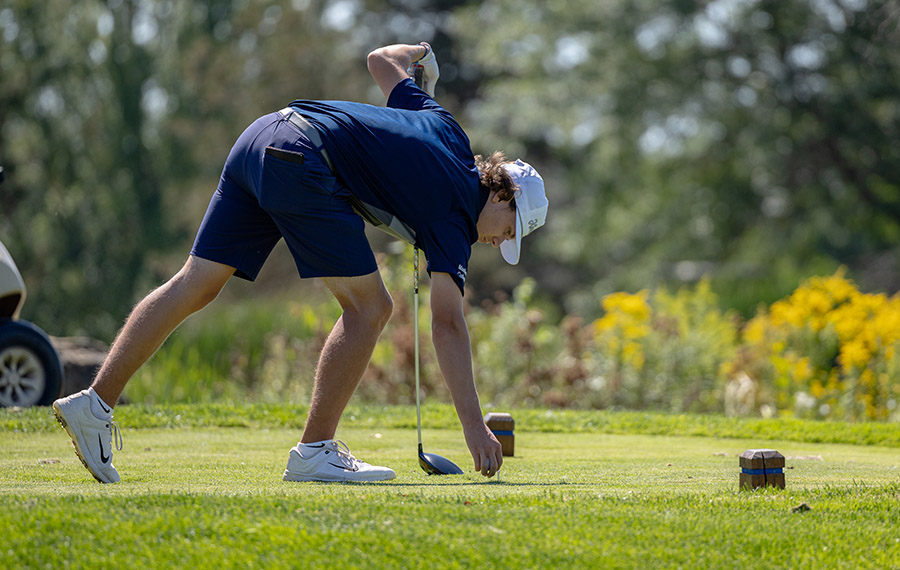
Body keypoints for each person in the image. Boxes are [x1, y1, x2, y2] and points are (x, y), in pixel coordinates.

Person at [52, 42, 548, 484]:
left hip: (262, 136)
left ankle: (94, 405)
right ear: (503, 194)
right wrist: (473, 426)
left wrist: (420, 52)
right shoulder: (456, 215)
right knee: (369, 309)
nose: (496, 242)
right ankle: (315, 451)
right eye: (507, 231)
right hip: (303, 158)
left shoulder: (448, 129)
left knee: (197, 282)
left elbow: (381, 60)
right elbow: (447, 324)